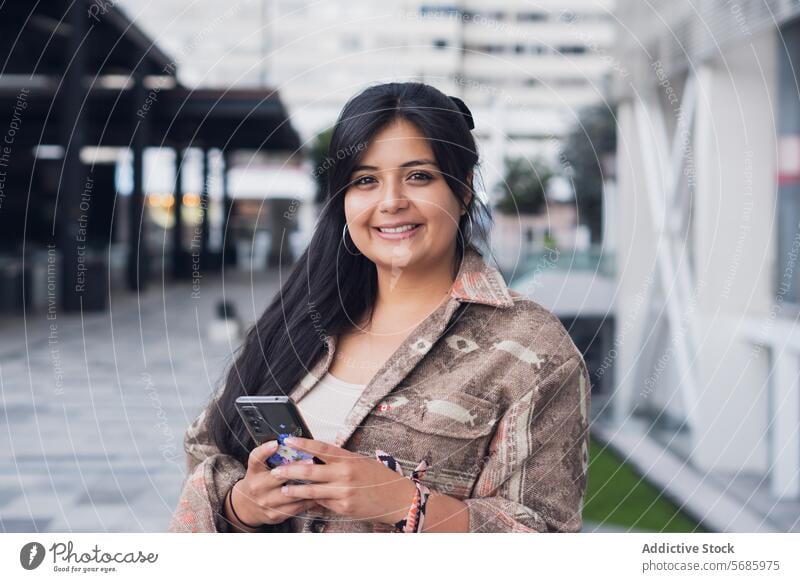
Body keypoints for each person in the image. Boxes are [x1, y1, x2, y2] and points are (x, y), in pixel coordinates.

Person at [168, 81, 591, 533]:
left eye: (418, 176)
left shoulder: (534, 350)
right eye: (365, 180)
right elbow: (205, 450)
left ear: (463, 189)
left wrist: (403, 501)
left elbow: (544, 538)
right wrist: (241, 505)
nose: (391, 202)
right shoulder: (300, 319)